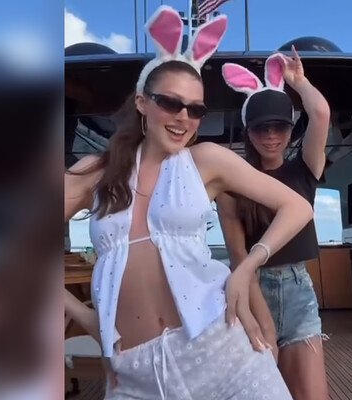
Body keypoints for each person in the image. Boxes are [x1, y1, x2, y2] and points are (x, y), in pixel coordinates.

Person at [64, 6, 312, 399]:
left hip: (221, 350)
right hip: (134, 374)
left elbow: (298, 207)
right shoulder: (95, 171)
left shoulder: (205, 161)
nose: (184, 117)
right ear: (142, 102)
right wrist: (85, 317)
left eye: (196, 109)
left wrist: (246, 267)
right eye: (171, 103)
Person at [217, 48, 331, 399]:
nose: (270, 135)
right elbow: (238, 257)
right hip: (253, 290)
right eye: (261, 127)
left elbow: (320, 113)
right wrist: (263, 320)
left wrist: (299, 82)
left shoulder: (304, 170)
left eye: (279, 126)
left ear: (290, 130)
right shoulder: (232, 184)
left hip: (298, 290)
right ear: (248, 132)